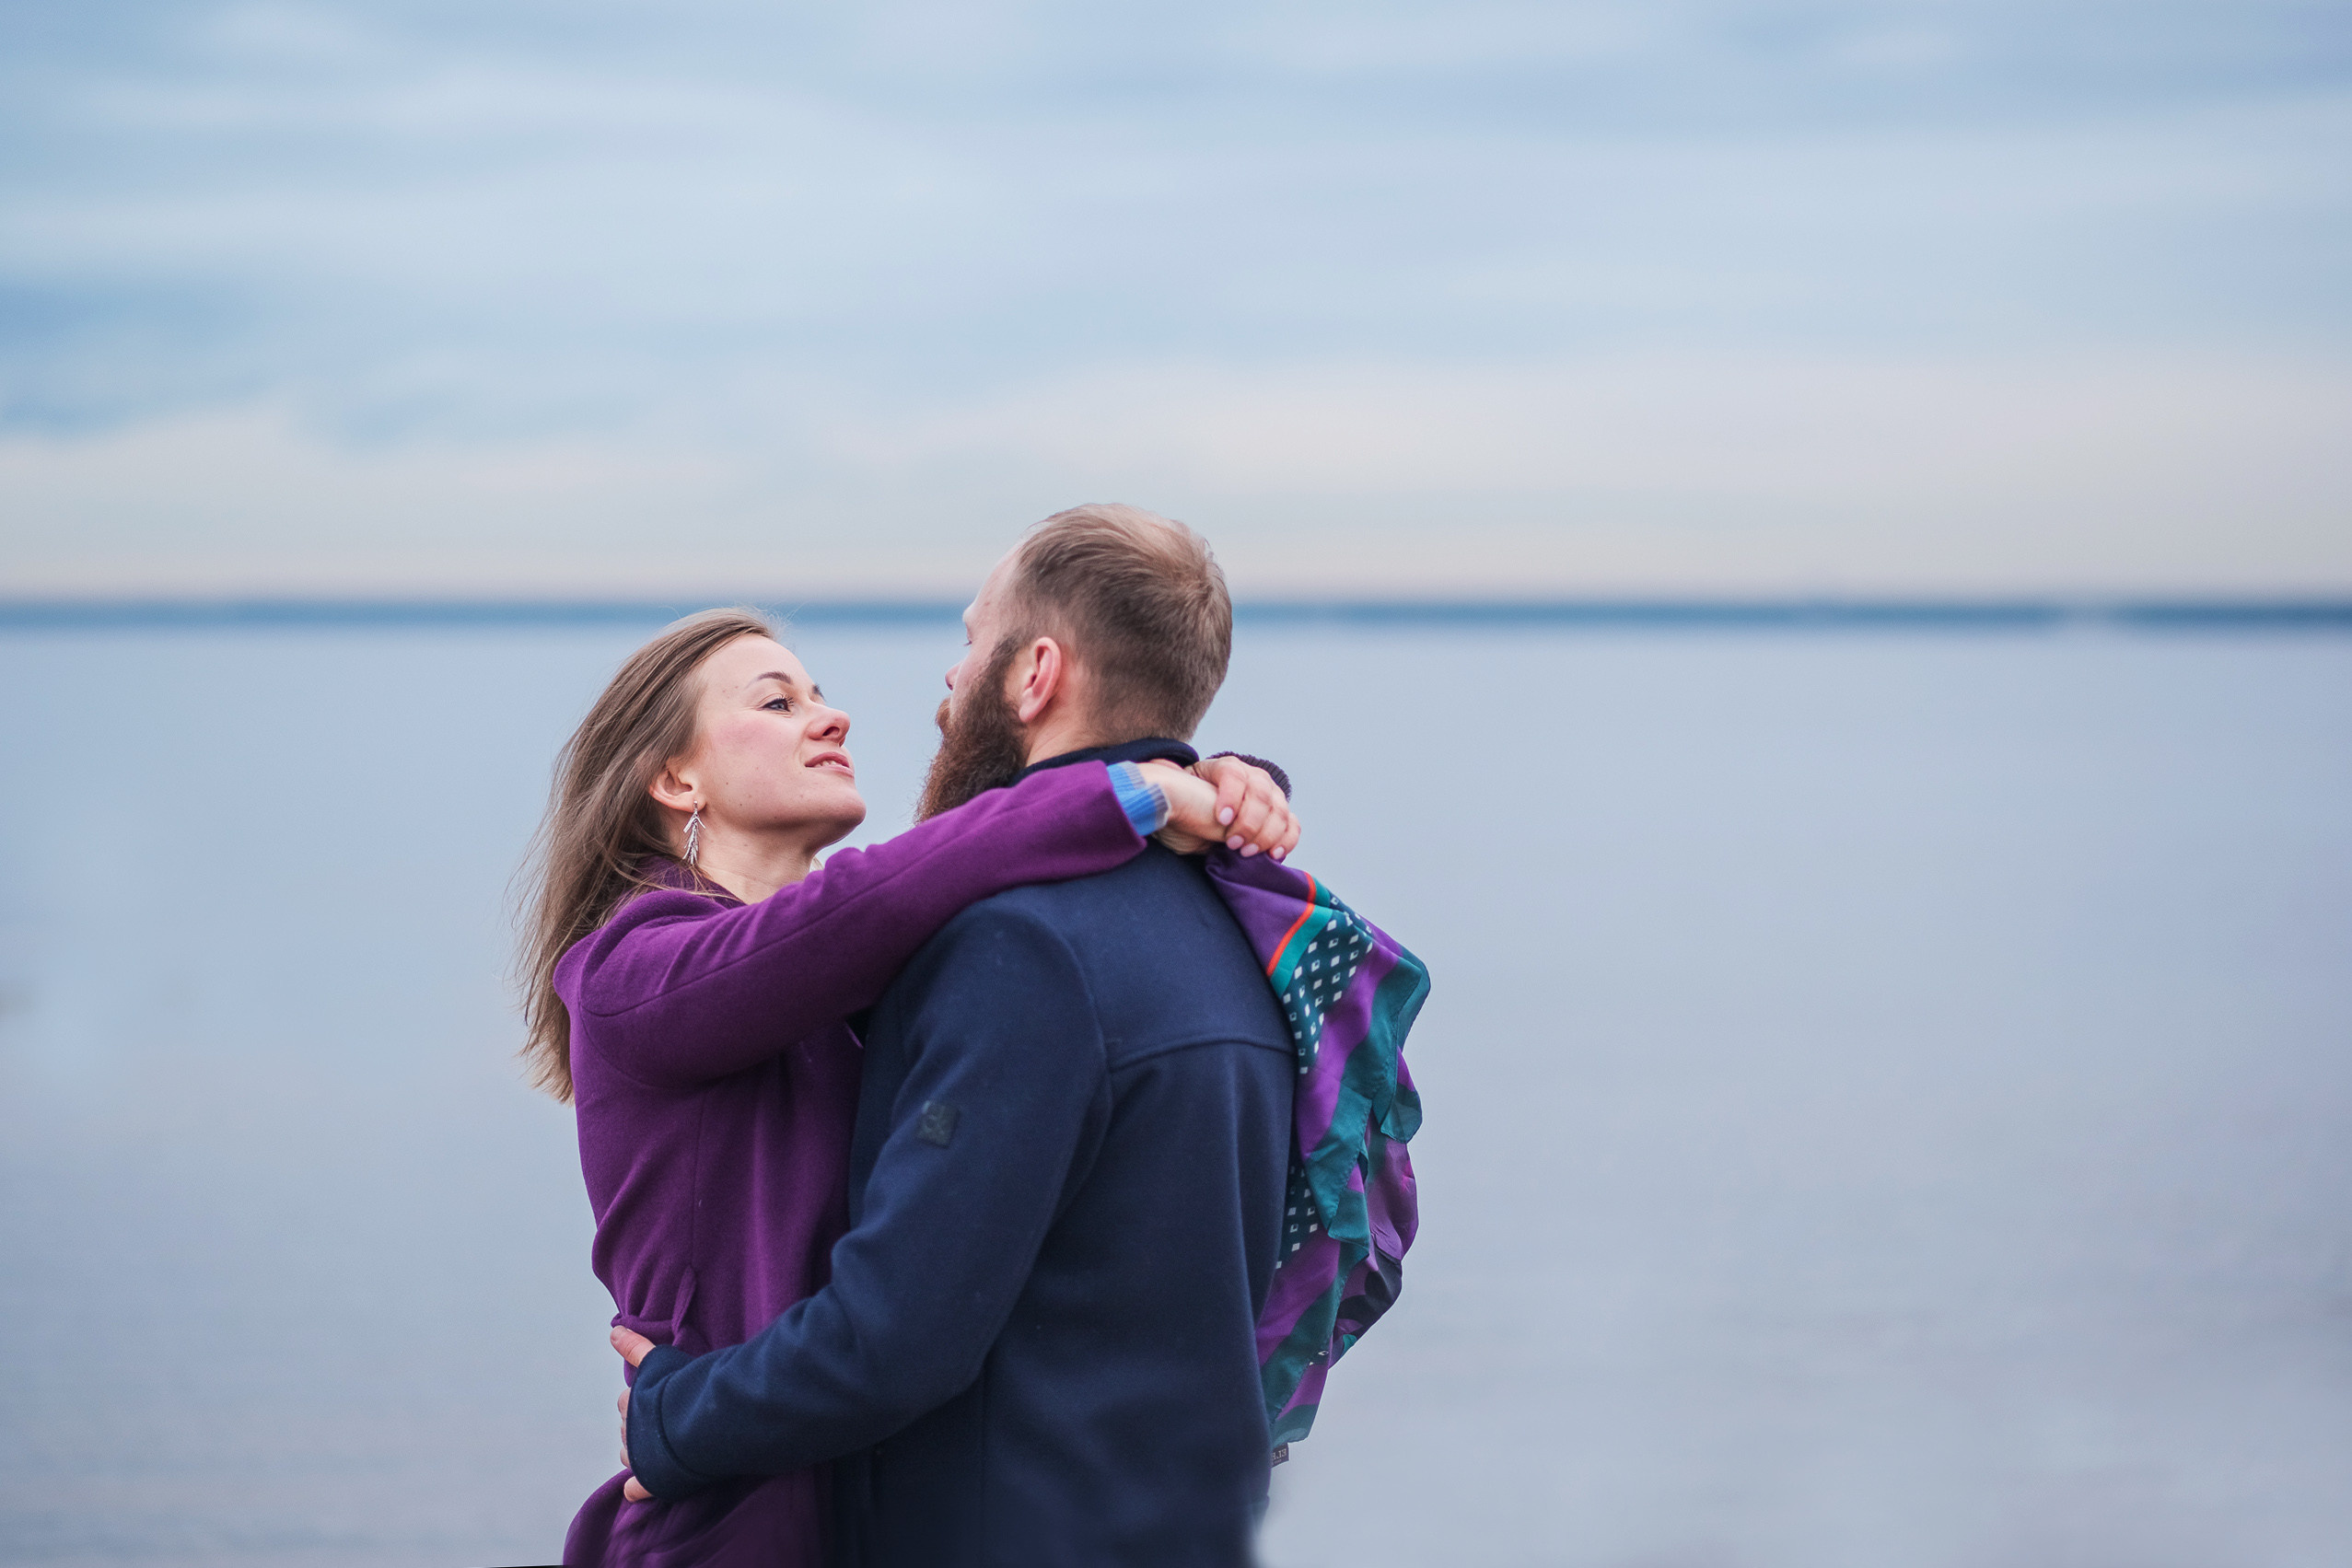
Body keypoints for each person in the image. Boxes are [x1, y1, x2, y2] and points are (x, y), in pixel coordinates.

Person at [516, 600, 1299, 1568]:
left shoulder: (856, 976)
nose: (832, 716)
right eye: (778, 701)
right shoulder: (631, 974)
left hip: (873, 1510)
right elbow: (888, 890)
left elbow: (930, 885)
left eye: (821, 694)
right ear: (677, 778)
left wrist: (1223, 785)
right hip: (729, 1522)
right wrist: (1135, 791)